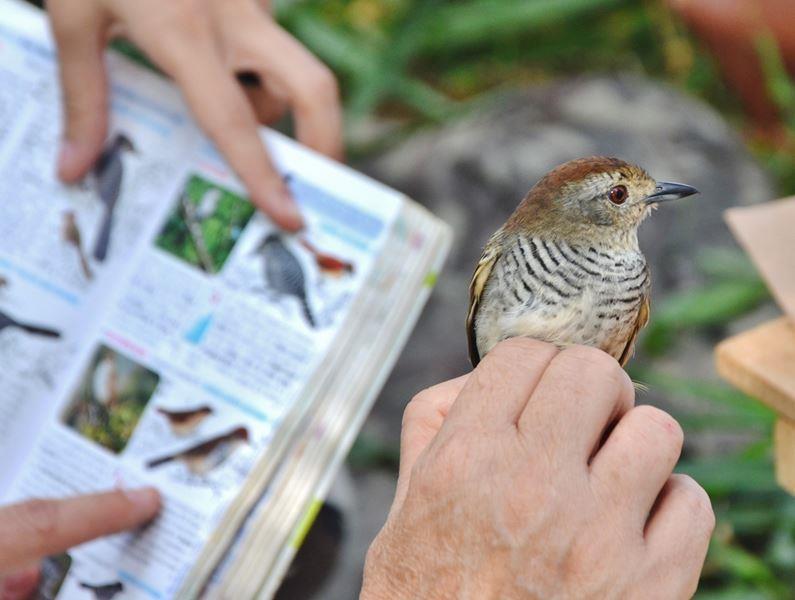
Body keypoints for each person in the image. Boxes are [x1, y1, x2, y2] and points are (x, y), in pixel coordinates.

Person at [0, 1, 715, 597]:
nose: (642, 202)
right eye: (622, 198)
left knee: (655, 121)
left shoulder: (619, 265)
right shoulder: (516, 251)